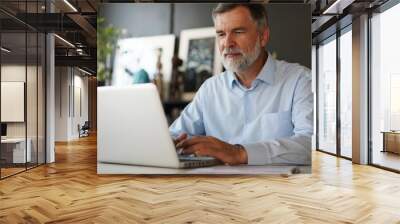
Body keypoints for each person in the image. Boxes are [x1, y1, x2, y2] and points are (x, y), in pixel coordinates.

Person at [169, 3, 313, 166]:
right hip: (217, 189)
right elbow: (174, 135)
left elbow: (311, 144)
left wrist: (239, 153)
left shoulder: (301, 81)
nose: (228, 43)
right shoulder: (210, 89)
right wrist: (169, 144)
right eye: (221, 34)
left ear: (263, 36)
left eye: (238, 32)